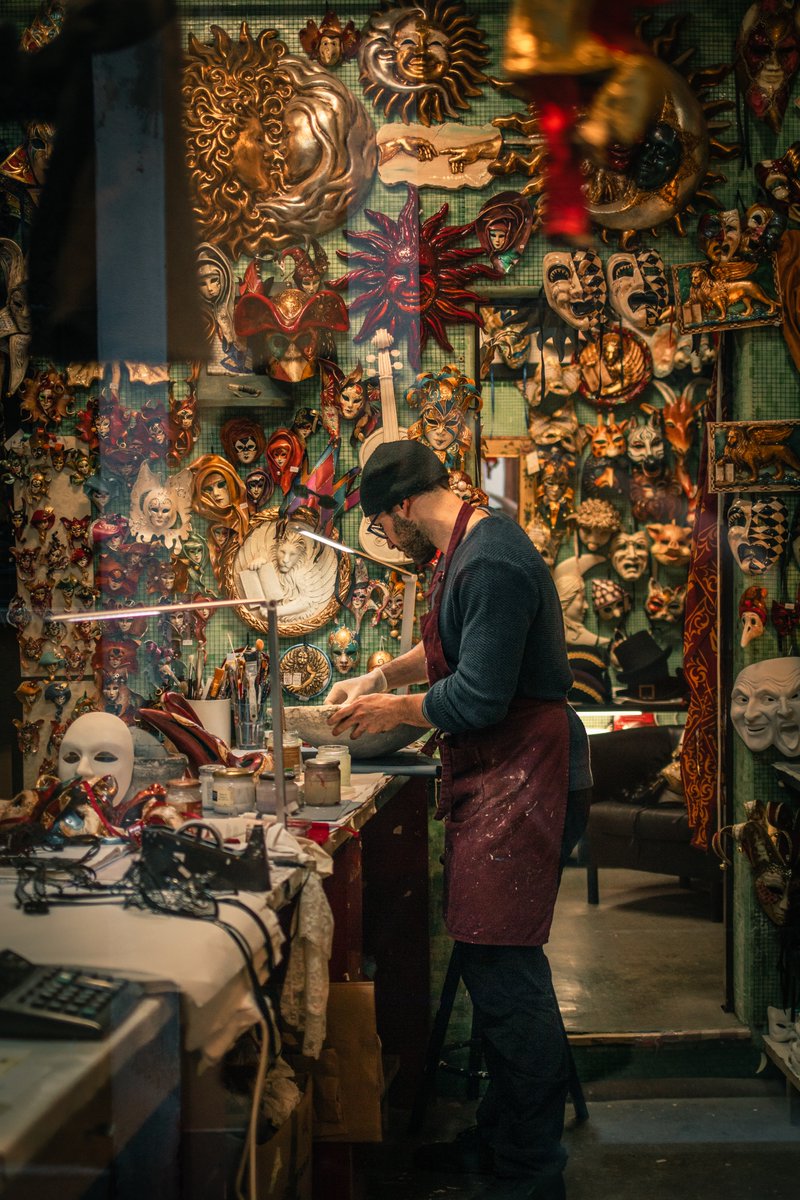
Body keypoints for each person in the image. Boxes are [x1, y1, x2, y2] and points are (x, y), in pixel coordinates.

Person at [329, 441, 591, 1200]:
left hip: (527, 771)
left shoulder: (493, 561)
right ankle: (502, 1137)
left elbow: (476, 697)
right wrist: (380, 673)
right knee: (489, 963)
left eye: (381, 525)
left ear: (402, 507)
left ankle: (533, 1171)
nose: (387, 538)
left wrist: (390, 709)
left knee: (508, 974)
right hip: (498, 769)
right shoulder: (465, 543)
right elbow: (445, 646)